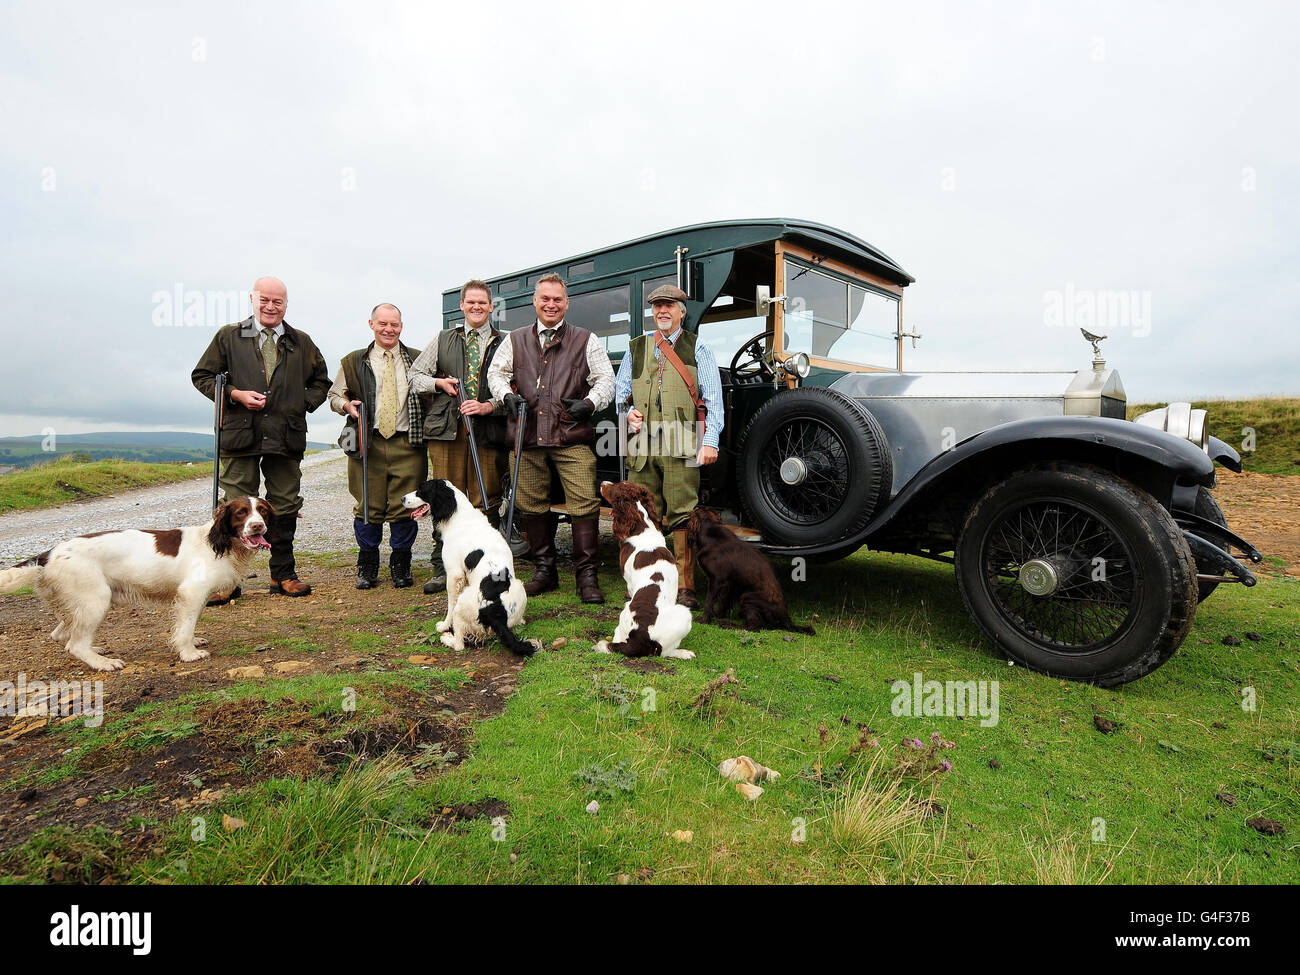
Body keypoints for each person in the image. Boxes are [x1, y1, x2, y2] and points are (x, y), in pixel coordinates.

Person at [192, 276, 331, 598]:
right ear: (252, 300)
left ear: (286, 304)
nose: (271, 307)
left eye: (278, 301)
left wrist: (302, 404)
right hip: (240, 436)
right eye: (264, 300)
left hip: (286, 436)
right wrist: (235, 394)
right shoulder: (229, 336)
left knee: (283, 504)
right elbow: (202, 377)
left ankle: (282, 575)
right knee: (235, 509)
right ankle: (226, 581)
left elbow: (321, 382)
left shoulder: (302, 341)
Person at [487, 273, 615, 603]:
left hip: (571, 435)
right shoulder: (514, 339)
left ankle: (587, 577)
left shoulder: (586, 339)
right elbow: (495, 374)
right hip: (526, 437)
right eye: (545, 298)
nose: (551, 304)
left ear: (566, 303)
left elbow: (606, 381)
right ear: (535, 301)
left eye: (557, 299)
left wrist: (590, 404)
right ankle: (546, 572)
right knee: (530, 503)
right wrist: (505, 397)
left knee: (584, 503)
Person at [615, 284, 723, 607]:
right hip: (642, 447)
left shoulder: (698, 348)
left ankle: (684, 586)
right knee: (642, 514)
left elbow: (713, 401)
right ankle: (643, 578)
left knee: (681, 514)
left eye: (669, 305)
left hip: (682, 445)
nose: (663, 311)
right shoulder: (636, 349)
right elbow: (621, 397)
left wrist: (710, 441)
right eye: (658, 306)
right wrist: (627, 414)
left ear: (681, 311)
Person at [409, 280, 509, 595]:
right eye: (471, 302)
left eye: (483, 302)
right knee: (443, 502)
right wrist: (439, 385)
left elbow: (516, 385)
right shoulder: (442, 339)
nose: (477, 307)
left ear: (491, 306)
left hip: (488, 430)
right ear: (462, 306)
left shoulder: (505, 341)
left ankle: (484, 567)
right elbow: (414, 377)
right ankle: (443, 570)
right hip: (447, 431)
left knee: (486, 499)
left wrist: (489, 405)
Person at [327, 302, 427, 589]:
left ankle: (401, 564)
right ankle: (368, 564)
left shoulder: (418, 359)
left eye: (394, 324)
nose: (388, 329)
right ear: (371, 324)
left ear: (401, 326)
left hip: (408, 441)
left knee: (405, 504)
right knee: (367, 503)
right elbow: (334, 395)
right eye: (382, 323)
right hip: (366, 442)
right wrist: (346, 405)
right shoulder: (352, 360)